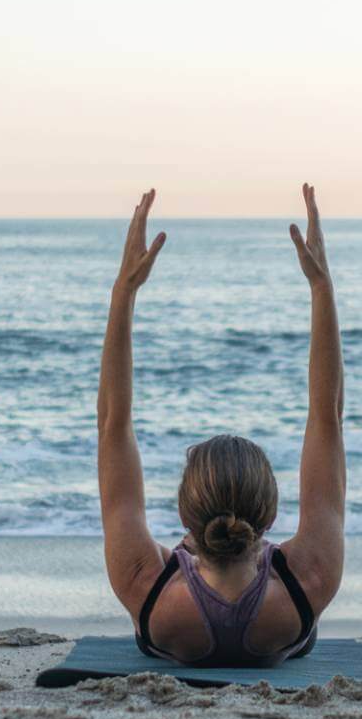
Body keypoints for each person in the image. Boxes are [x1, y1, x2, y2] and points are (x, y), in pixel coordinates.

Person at [95, 184, 345, 666]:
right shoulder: (308, 582)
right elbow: (327, 418)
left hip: (174, 620)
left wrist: (123, 291)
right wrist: (321, 287)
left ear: (187, 521)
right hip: (281, 621)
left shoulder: (145, 586)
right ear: (269, 518)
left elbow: (112, 424)